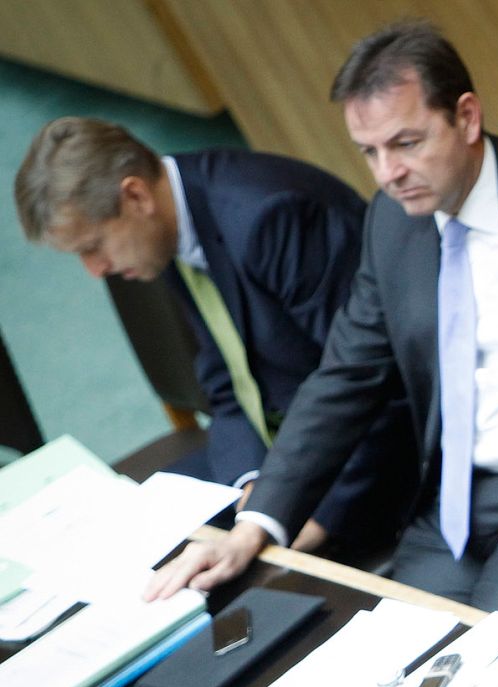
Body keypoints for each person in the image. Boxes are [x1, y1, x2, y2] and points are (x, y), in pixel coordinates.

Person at [145, 21, 498, 620]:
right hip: (453, 502)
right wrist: (257, 521)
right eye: (369, 152)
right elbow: (345, 376)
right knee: (395, 655)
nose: (387, 172)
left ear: (467, 117)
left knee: (492, 663)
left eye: (406, 143)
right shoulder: (395, 224)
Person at [13, 117, 414, 557]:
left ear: (135, 196)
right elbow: (227, 377)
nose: (95, 270)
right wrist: (251, 482)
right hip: (283, 452)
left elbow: (380, 381)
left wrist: (305, 516)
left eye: (93, 247)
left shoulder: (271, 216)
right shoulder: (172, 229)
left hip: (373, 468)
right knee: (127, 541)